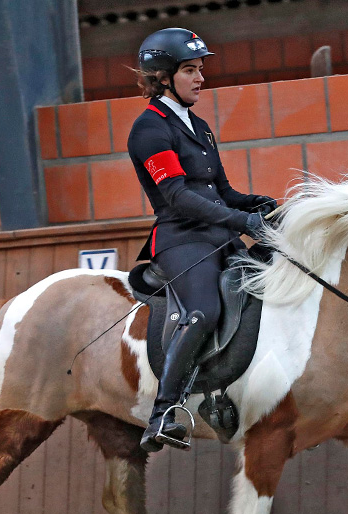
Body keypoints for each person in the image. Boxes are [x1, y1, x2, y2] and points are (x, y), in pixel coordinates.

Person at [127, 27, 276, 452]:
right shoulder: (149, 129)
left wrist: (262, 205)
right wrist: (242, 220)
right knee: (203, 310)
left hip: (219, 232)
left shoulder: (200, 126)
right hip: (182, 239)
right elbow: (178, 196)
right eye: (190, 70)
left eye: (200, 70)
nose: (200, 78)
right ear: (163, 77)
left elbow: (222, 191)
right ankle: (162, 413)